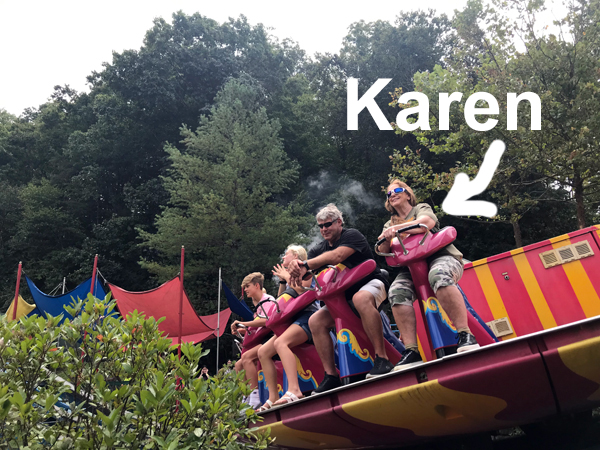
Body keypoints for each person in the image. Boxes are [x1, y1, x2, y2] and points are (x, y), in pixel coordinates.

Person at [288, 204, 391, 394]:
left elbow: (337, 256)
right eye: (320, 226)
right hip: (341, 298)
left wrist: (304, 264)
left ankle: (382, 357)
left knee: (361, 299)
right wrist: (293, 272)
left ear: (339, 222)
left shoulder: (352, 236)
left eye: (328, 224)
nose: (324, 229)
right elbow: (306, 281)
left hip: (370, 285)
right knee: (315, 320)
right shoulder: (317, 250)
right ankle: (331, 375)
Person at [378, 180, 479, 372]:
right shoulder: (388, 223)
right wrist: (389, 235)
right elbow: (383, 247)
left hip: (440, 256)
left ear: (408, 194)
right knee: (396, 293)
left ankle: (465, 334)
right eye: (389, 194)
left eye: (397, 190)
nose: (392, 195)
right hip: (410, 267)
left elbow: (426, 223)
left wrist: (397, 231)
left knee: (438, 276)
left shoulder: (420, 208)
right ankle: (411, 350)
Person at [255, 245, 317, 411]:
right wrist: (283, 280)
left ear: (295, 256)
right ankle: (273, 396)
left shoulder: (306, 272)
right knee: (263, 352)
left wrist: (288, 276)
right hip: (291, 320)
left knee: (281, 343)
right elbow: (282, 299)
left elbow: (303, 291)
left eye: (286, 255)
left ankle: (294, 390)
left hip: (308, 317)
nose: (283, 258)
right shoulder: (288, 276)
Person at [231, 273, 276, 408]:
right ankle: (246, 396)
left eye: (247, 286)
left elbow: (266, 321)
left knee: (247, 357)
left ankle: (254, 396)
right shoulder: (259, 306)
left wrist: (243, 324)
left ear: (257, 286)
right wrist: (244, 329)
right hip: (264, 338)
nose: (245, 289)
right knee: (238, 365)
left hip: (272, 337)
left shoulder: (267, 300)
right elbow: (257, 325)